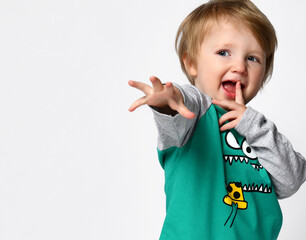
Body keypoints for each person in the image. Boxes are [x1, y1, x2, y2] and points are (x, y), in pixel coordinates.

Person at [128, 0, 306, 239]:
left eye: (253, 58)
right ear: (191, 63)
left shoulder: (257, 130)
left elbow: (291, 180)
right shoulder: (195, 114)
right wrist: (168, 100)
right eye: (224, 53)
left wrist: (255, 126)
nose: (240, 66)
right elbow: (184, 102)